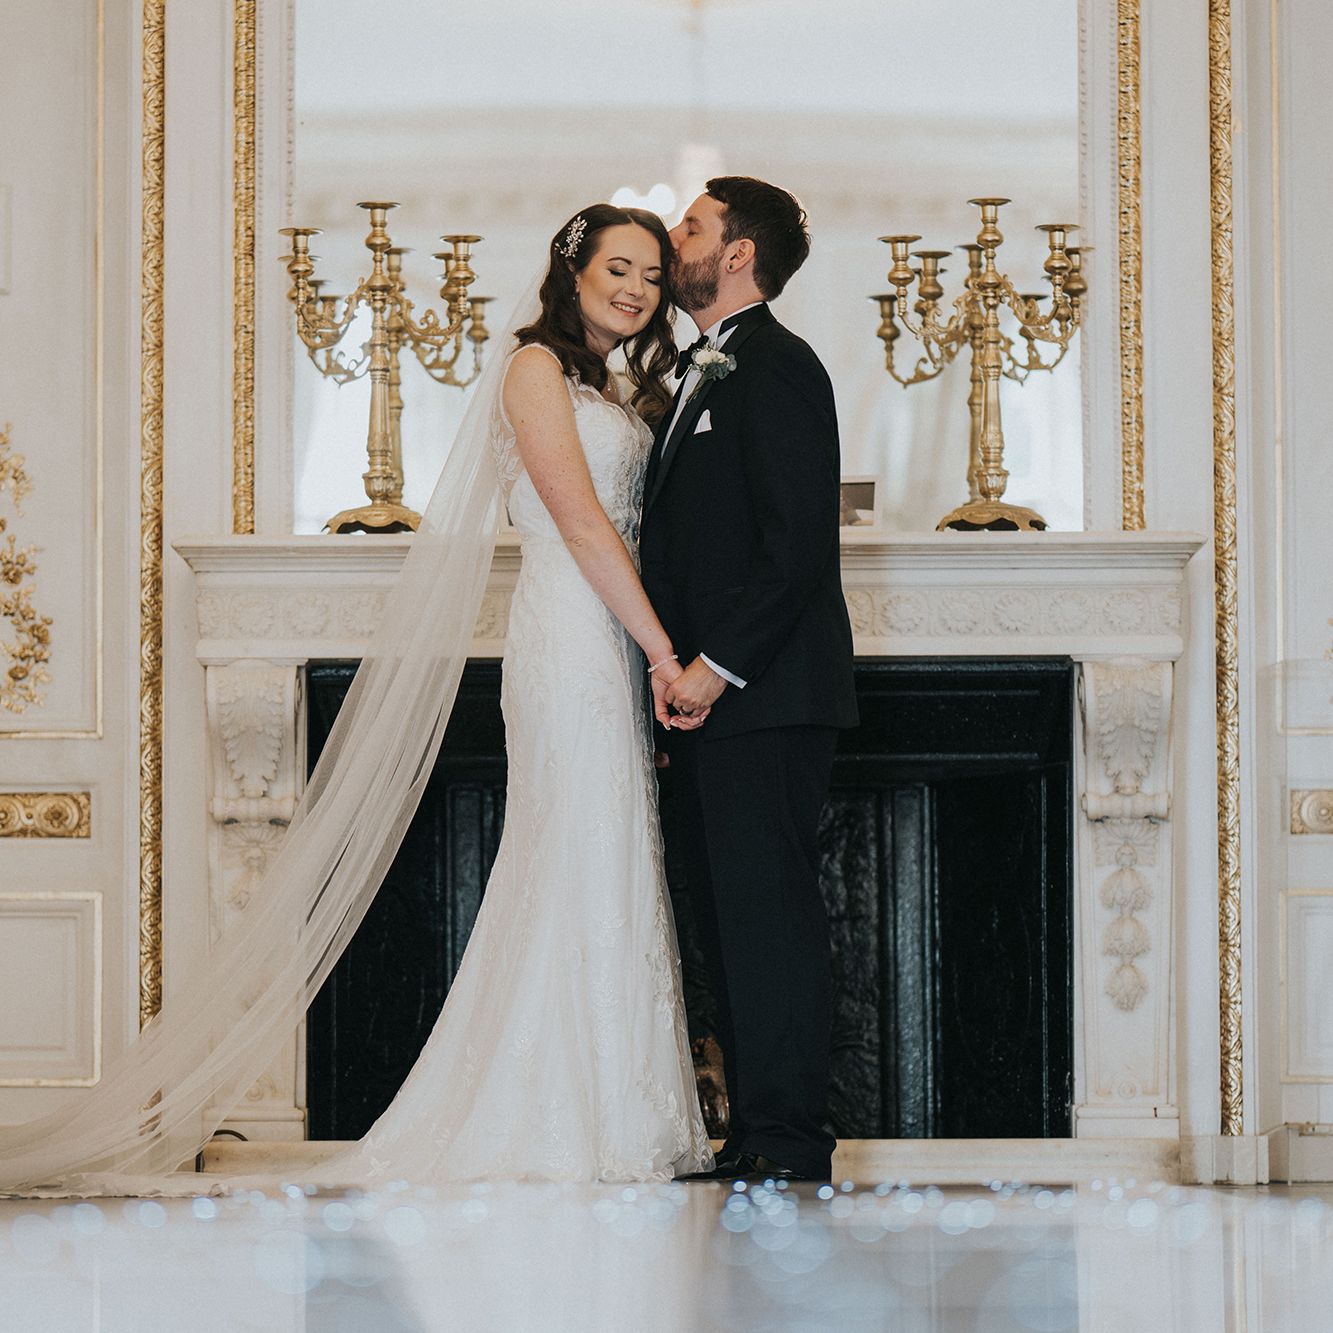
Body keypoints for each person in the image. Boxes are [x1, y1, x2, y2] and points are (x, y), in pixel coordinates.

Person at [0, 205, 712, 1194]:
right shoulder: (534, 370)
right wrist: (666, 653)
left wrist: (650, 650)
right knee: (574, 847)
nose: (635, 288)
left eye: (649, 273)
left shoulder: (622, 384)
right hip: (573, 633)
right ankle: (553, 1119)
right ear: (571, 272)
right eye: (617, 268)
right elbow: (585, 526)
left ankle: (614, 1108)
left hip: (614, 635)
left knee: (608, 851)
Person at [640, 177, 858, 1183]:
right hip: (713, 705)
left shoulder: (776, 364)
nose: (667, 235)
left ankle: (788, 1140)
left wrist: (712, 672)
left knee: (768, 919)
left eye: (687, 224)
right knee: (733, 919)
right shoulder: (704, 367)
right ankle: (754, 1135)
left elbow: (797, 547)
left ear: (737, 253)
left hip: (764, 700)